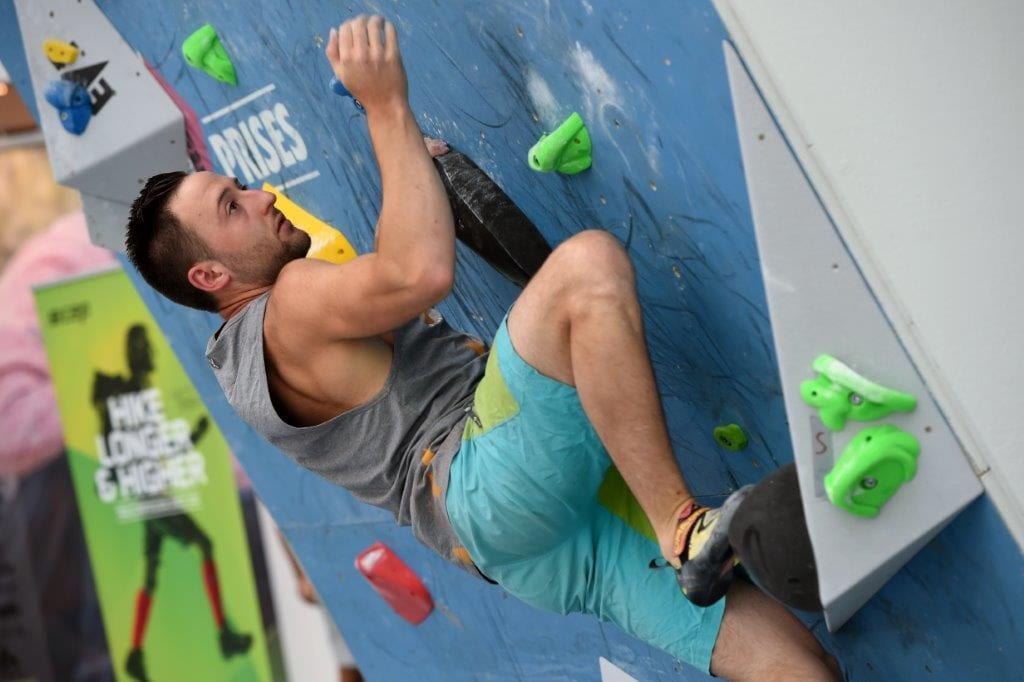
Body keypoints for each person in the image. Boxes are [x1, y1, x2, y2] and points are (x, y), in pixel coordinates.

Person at [124, 15, 839, 680]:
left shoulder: (246, 364)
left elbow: (387, 279)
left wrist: (411, 171)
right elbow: (418, 272)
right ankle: (681, 527)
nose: (262, 195)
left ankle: (683, 545)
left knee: (798, 669)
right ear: (210, 275)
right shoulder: (289, 305)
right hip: (484, 481)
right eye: (231, 206)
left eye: (240, 186)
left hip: (517, 554)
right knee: (585, 272)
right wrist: (386, 107)